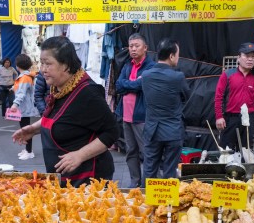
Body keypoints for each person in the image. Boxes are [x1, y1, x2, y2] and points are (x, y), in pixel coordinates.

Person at [12, 36, 119, 187]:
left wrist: (80, 155)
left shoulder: (88, 94)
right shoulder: (58, 88)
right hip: (63, 178)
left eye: (48, 64)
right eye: (41, 63)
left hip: (88, 180)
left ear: (66, 65)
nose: (43, 70)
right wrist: (34, 129)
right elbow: (61, 118)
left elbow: (112, 131)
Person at [141, 39, 190, 183]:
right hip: (172, 131)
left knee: (149, 170)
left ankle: (145, 202)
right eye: (178, 55)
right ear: (171, 56)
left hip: (151, 130)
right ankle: (167, 204)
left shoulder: (146, 75)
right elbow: (186, 95)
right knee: (169, 172)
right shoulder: (178, 77)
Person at [215, 42, 254, 152]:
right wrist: (219, 116)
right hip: (230, 119)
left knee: (245, 151)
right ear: (239, 57)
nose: (250, 59)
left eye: (253, 57)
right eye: (247, 56)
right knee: (226, 151)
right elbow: (218, 96)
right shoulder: (228, 74)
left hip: (248, 119)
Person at [115, 33, 155, 188]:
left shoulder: (150, 67)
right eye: (131, 46)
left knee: (146, 152)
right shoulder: (128, 65)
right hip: (126, 115)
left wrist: (129, 84)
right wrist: (132, 83)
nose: (133, 49)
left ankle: (147, 184)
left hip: (141, 116)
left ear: (145, 48)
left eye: (136, 46)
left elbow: (142, 85)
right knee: (131, 151)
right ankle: (134, 183)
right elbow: (118, 86)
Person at [11, 54, 38, 160]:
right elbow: (23, 91)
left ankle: (29, 151)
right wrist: (14, 88)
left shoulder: (24, 77)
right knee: (24, 129)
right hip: (24, 107)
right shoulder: (26, 76)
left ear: (17, 65)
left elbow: (21, 93)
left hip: (23, 108)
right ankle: (27, 149)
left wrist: (14, 104)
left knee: (26, 130)